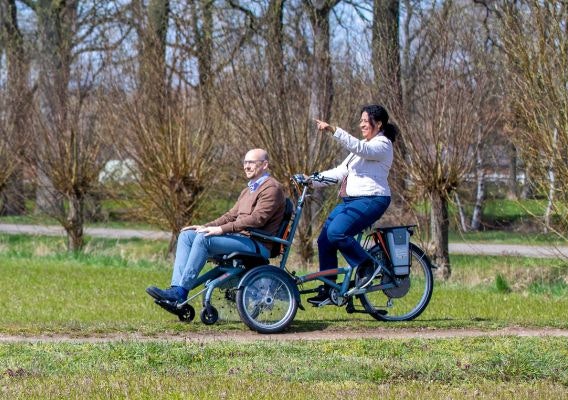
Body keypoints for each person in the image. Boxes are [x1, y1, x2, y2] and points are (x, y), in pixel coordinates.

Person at [146, 148, 286, 303]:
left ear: (265, 164)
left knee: (204, 239)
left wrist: (220, 230)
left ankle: (180, 292)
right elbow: (230, 216)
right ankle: (176, 288)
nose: (246, 166)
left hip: (258, 243)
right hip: (240, 238)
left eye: (251, 162)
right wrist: (204, 226)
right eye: (245, 162)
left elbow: (257, 219)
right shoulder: (247, 190)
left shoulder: (272, 188)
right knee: (187, 236)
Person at [308, 104, 397, 305]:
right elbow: (340, 173)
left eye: (366, 121)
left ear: (379, 123)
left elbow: (361, 148)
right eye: (361, 121)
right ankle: (329, 288)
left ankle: (368, 266)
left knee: (337, 232)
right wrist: (310, 180)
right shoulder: (359, 151)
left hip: (373, 198)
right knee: (324, 240)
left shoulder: (382, 145)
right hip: (352, 200)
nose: (361, 124)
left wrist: (333, 130)